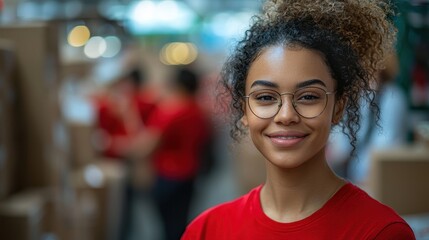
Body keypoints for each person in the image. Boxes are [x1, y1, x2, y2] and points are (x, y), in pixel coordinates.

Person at [181, 0, 416, 239]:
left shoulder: (382, 232)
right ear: (244, 111)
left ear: (338, 107)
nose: (286, 115)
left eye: (308, 96)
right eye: (265, 97)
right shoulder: (206, 230)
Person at [126, 66, 212, 240]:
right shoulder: (199, 111)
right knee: (180, 223)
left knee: (168, 227)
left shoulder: (172, 111)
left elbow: (147, 146)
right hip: (190, 174)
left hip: (168, 176)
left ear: (178, 86)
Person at [327, 53, 409, 186]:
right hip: (355, 180)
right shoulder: (358, 97)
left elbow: (387, 147)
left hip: (378, 183)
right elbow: (343, 145)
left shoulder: (393, 97)